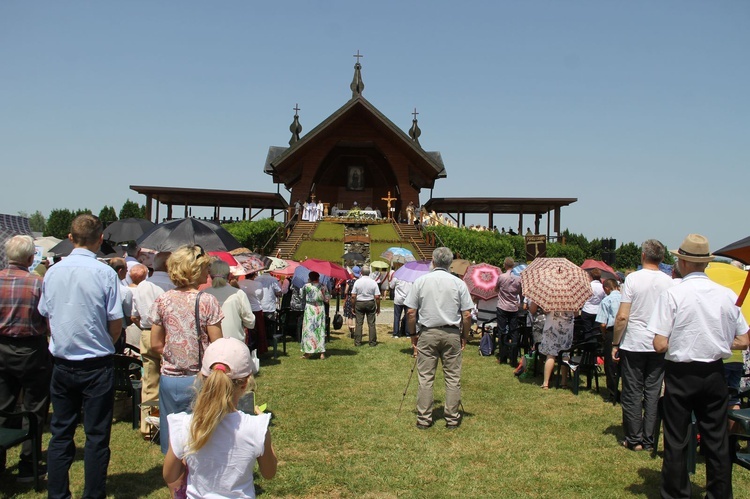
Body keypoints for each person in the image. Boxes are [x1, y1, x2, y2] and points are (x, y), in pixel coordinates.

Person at [649, 234, 749, 498]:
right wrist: (716, 340)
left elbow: (659, 344)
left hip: (682, 373)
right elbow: (744, 340)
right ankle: (719, 493)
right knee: (715, 440)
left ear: (682, 261)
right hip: (715, 371)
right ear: (706, 263)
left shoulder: (673, 294)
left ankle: (676, 493)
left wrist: (682, 340)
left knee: (676, 438)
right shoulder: (727, 295)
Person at [38, 214, 124, 498]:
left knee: (61, 433)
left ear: (71, 238)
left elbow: (46, 314)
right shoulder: (105, 273)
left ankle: (58, 493)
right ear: (100, 239)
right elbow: (115, 322)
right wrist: (106, 341)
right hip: (95, 362)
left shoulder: (53, 272)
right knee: (97, 436)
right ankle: (93, 493)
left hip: (64, 360)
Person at [163, 337, 277, 498]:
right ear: (245, 383)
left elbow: (170, 475)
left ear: (203, 378)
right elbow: (269, 472)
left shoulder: (184, 424)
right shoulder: (256, 427)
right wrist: (265, 435)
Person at [150, 245, 224, 454]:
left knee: (172, 433)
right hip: (199, 376)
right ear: (194, 270)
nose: (208, 272)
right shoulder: (207, 301)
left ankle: (174, 477)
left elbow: (155, 343)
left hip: (169, 377)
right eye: (205, 268)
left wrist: (173, 356)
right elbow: (216, 344)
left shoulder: (163, 300)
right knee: (199, 434)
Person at [612, 239, 674, 451]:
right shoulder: (669, 282)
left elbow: (622, 316)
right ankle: (649, 440)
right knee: (653, 392)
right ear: (662, 258)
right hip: (659, 344)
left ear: (643, 256)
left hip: (634, 342)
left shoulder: (632, 279)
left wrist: (615, 342)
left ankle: (634, 438)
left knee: (632, 392)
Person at [405, 247, 474, 429]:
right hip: (451, 332)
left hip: (428, 332)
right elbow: (467, 315)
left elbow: (411, 312)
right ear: (450, 263)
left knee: (426, 378)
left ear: (433, 262)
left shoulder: (421, 281)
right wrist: (465, 336)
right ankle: (452, 418)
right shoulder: (458, 283)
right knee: (452, 377)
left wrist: (413, 335)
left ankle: (424, 419)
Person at [0, 235, 50, 482]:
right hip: (32, 348)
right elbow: (47, 320)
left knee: (2, 406)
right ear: (31, 258)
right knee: (35, 408)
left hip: (1, 348)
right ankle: (29, 463)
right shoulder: (37, 283)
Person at [131, 251, 174, 438]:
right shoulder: (172, 286)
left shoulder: (141, 286)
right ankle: (169, 423)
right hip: (167, 335)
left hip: (147, 333)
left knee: (149, 381)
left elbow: (134, 315)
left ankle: (148, 427)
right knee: (171, 380)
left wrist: (144, 327)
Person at [204, 259, 255, 343]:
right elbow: (250, 321)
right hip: (235, 344)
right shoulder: (238, 294)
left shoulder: (203, 294)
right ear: (229, 276)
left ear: (210, 275)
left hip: (211, 346)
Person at [532, 304, 575, 390]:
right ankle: (564, 382)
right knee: (565, 354)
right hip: (566, 328)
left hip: (552, 327)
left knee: (550, 355)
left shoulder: (552, 297)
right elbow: (576, 313)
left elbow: (545, 311)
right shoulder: (571, 298)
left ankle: (546, 383)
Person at [595, 278, 622, 403]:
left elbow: (603, 323)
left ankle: (612, 392)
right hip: (626, 332)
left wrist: (604, 334)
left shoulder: (606, 300)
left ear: (606, 288)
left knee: (610, 364)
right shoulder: (625, 298)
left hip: (612, 331)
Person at [494, 257, 523, 366]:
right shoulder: (518, 279)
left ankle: (502, 356)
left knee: (502, 331)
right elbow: (520, 293)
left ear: (505, 265)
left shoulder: (501, 277)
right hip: (513, 307)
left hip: (502, 306)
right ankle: (513, 358)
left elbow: (496, 289)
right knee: (514, 331)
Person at [300, 271, 330, 359]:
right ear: (318, 277)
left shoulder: (306, 286)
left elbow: (301, 295)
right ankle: (322, 353)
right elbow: (327, 299)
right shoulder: (323, 286)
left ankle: (307, 351)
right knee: (320, 329)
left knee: (308, 330)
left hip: (309, 308)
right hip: (319, 308)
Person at [350, 266, 381, 347]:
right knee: (371, 323)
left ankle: (357, 342)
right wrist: (378, 307)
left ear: (361, 273)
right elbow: (377, 297)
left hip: (359, 302)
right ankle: (372, 342)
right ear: (369, 273)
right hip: (370, 302)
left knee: (359, 323)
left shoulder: (357, 282)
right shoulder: (373, 282)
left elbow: (353, 296)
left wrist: (353, 306)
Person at [239, 272, 267, 354]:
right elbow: (261, 296)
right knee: (259, 331)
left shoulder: (239, 283)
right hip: (256, 309)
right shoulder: (258, 284)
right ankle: (260, 349)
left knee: (246, 331)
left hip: (244, 309)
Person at [578, 269, 605, 342]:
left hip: (587, 309)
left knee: (587, 330)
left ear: (591, 277)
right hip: (598, 310)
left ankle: (589, 345)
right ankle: (595, 345)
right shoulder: (602, 287)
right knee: (596, 330)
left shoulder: (588, 286)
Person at [390, 272, 413, 338]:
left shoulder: (396, 277)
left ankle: (396, 333)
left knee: (397, 316)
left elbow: (391, 286)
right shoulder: (411, 279)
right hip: (408, 299)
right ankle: (408, 333)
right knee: (408, 316)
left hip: (398, 299)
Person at [343, 266, 360, 335]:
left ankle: (351, 330)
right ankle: (357, 329)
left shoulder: (349, 281)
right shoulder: (359, 282)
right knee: (357, 316)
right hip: (358, 299)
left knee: (350, 316)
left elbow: (346, 291)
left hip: (350, 298)